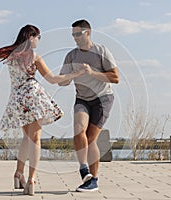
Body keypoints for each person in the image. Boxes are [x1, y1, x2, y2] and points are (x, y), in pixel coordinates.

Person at [0, 24, 85, 195]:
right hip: (33, 95)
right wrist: (75, 74)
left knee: (27, 137)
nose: (39, 40)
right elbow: (52, 79)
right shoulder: (34, 56)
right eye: (38, 37)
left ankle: (18, 173)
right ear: (31, 37)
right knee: (36, 139)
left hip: (18, 98)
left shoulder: (11, 54)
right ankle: (31, 179)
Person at [59, 19, 119, 192]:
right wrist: (70, 76)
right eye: (73, 35)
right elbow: (62, 82)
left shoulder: (101, 51)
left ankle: (94, 180)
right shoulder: (71, 55)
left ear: (88, 32)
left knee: (91, 138)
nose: (75, 38)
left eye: (78, 34)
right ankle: (84, 169)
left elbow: (115, 78)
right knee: (78, 130)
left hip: (102, 98)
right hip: (82, 98)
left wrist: (92, 73)